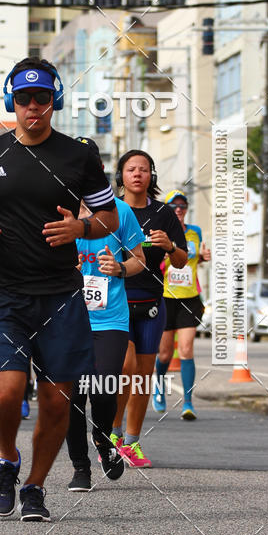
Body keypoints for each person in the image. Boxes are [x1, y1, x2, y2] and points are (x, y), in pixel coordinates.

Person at [0, 57, 119, 522]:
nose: (32, 107)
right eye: (23, 98)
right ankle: (7, 459)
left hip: (62, 295)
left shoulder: (79, 155)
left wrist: (81, 228)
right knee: (5, 392)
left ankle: (35, 487)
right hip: (3, 292)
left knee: (55, 400)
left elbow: (106, 217)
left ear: (54, 102)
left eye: (42, 98)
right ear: (12, 101)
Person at [66, 139, 145, 492]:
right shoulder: (56, 209)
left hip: (109, 318)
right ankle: (80, 467)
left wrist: (120, 268)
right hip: (67, 318)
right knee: (70, 397)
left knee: (102, 387)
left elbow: (140, 258)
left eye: (90, 164)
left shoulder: (119, 211)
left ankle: (102, 441)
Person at [110, 152, 188, 468]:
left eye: (144, 169)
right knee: (125, 368)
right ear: (121, 175)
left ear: (151, 176)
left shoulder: (163, 214)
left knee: (143, 376)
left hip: (152, 303)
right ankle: (111, 433)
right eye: (131, 169)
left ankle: (131, 442)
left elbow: (181, 261)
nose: (138, 174)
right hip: (117, 300)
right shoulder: (111, 211)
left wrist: (169, 246)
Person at [153, 190, 211, 420]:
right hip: (167, 297)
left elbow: (197, 259)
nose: (179, 209)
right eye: (174, 206)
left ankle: (188, 402)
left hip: (190, 298)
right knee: (165, 354)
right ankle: (159, 387)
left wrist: (205, 257)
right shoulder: (161, 233)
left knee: (186, 349)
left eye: (182, 205)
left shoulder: (195, 232)